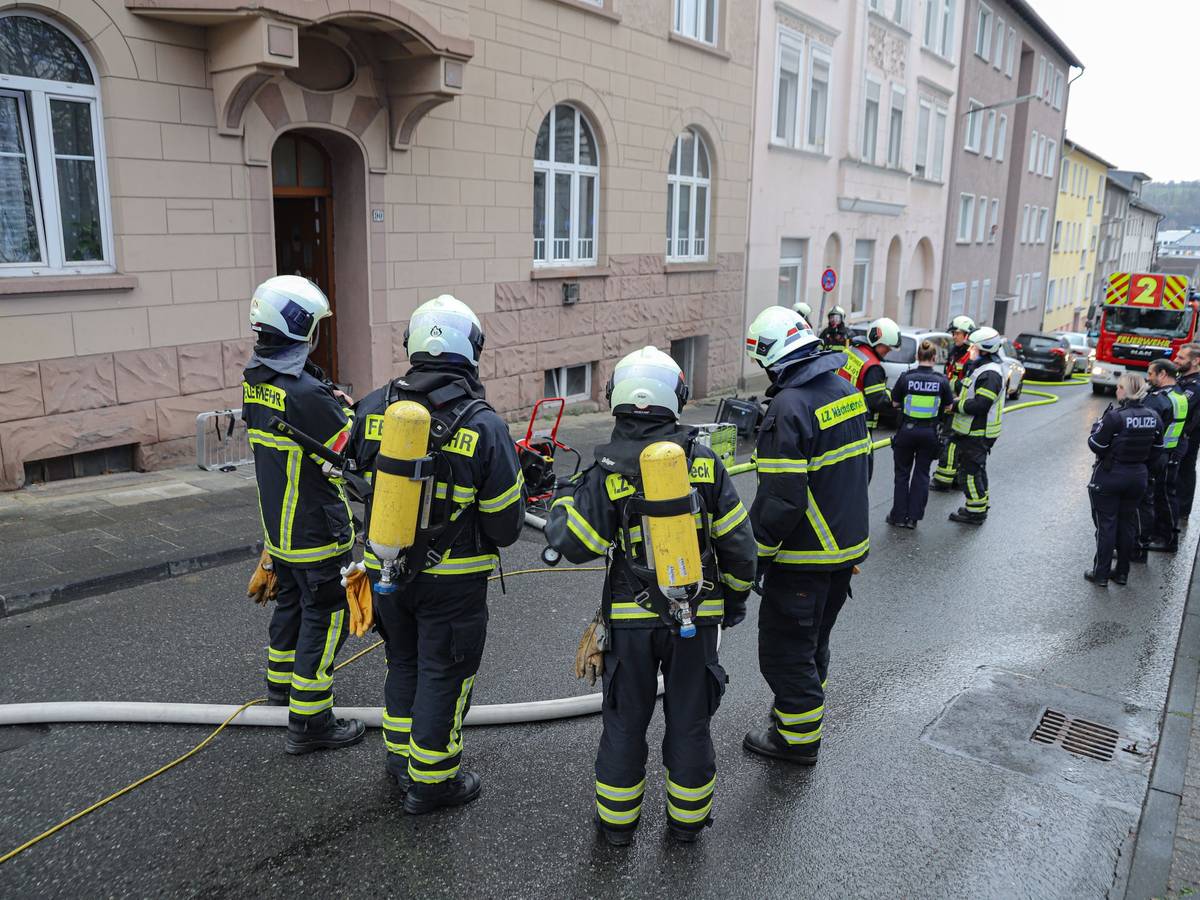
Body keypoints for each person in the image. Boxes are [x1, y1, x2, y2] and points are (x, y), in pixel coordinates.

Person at [544, 346, 756, 846]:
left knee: (624, 723)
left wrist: (564, 496)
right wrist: (734, 601)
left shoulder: (605, 470)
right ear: (675, 398)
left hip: (630, 622)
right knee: (690, 723)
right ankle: (687, 824)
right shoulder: (704, 463)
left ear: (616, 397)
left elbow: (575, 544)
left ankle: (617, 827)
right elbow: (739, 546)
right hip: (697, 619)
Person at [344, 294, 524, 814]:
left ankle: (401, 759)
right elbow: (506, 526)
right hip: (453, 583)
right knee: (444, 674)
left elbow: (352, 477)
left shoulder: (373, 406)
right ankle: (434, 782)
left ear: (412, 345)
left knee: (402, 661)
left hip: (385, 572)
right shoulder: (484, 425)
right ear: (472, 350)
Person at [241, 275, 365, 754]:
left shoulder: (256, 381)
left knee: (291, 604)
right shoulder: (305, 394)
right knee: (327, 615)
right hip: (316, 533)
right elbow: (348, 450)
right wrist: (350, 413)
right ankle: (310, 722)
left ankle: (281, 689)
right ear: (300, 326)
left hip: (280, 533)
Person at [741, 307, 870, 765]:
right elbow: (862, 469)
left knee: (786, 653)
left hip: (803, 558)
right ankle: (797, 717)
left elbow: (781, 499)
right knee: (814, 643)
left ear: (771, 357)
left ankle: (796, 741)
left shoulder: (789, 406)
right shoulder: (846, 391)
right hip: (842, 553)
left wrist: (753, 556)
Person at [1085, 373, 1164, 586]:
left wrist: (1096, 427)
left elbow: (1096, 445)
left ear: (1127, 390)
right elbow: (1158, 450)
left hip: (1111, 476)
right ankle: (1122, 573)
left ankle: (1101, 574)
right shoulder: (1154, 416)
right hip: (1138, 477)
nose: (1116, 390)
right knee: (1127, 524)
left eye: (1119, 387)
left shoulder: (1115, 417)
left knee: (1106, 526)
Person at [888, 340, 955, 528]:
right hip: (929, 433)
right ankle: (913, 519)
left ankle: (898, 517)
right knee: (922, 474)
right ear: (934, 358)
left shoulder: (906, 378)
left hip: (906, 432)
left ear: (917, 356)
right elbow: (949, 406)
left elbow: (894, 403)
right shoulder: (942, 380)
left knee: (902, 474)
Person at [947, 327, 1005, 526]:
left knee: (969, 472)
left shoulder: (990, 375)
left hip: (978, 431)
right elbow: (965, 388)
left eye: (973, 347)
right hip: (975, 430)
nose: (970, 349)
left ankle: (975, 512)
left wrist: (954, 406)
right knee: (978, 469)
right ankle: (980, 504)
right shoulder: (981, 369)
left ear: (984, 350)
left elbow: (981, 405)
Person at [1140, 358, 1189, 553]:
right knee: (1166, 495)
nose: (1148, 378)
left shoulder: (1159, 398)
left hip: (1162, 454)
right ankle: (1165, 536)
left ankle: (1166, 539)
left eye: (1151, 374)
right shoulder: (1179, 393)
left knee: (1162, 497)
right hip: (1174, 450)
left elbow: (1147, 427)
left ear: (1162, 374)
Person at [931, 315, 976, 493]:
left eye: (957, 333)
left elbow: (965, 384)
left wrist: (946, 384)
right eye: (953, 333)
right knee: (951, 441)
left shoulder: (970, 358)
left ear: (967, 335)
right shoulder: (955, 353)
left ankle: (943, 479)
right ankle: (955, 477)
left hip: (959, 405)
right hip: (949, 403)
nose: (954, 336)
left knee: (950, 442)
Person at [838, 316, 901, 431]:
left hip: (840, 414)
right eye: (887, 348)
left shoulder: (853, 350)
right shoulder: (873, 367)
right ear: (876, 340)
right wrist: (895, 397)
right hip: (859, 423)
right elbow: (877, 401)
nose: (888, 352)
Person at [1174, 343, 1200, 521]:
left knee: (1184, 471)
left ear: (1196, 361)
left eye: (1181, 358)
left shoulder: (1196, 385)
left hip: (1188, 435)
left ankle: (1182, 511)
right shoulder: (1182, 379)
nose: (1176, 360)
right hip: (1179, 434)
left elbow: (1181, 407)